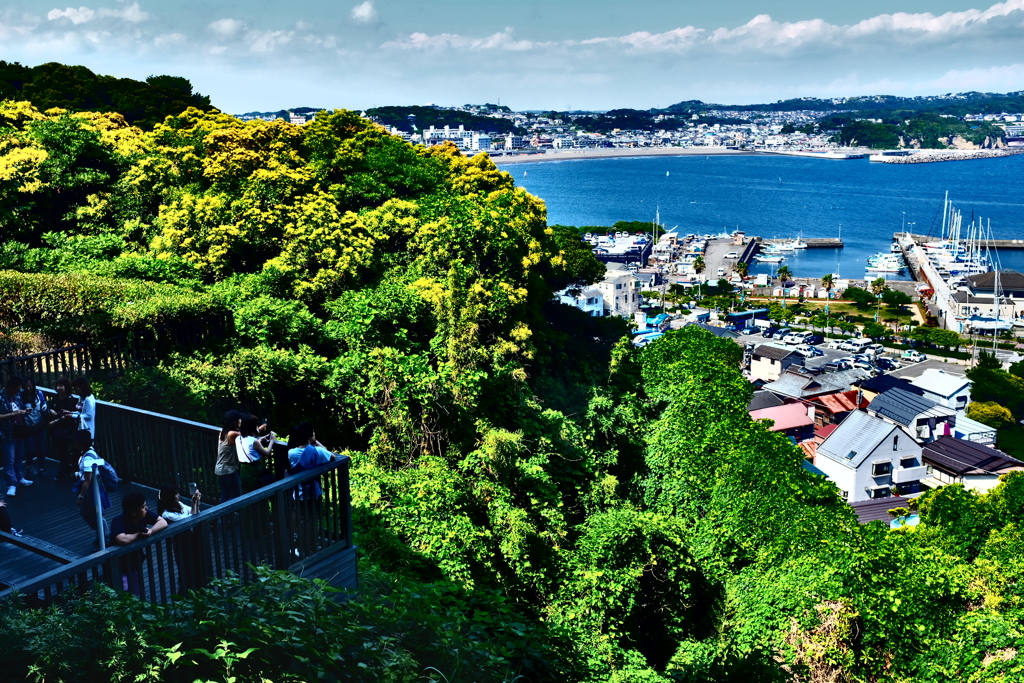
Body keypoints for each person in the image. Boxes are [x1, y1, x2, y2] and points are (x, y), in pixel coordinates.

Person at [110, 492, 167, 595]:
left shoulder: (143, 514)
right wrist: (138, 535)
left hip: (134, 563)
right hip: (119, 565)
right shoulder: (118, 521)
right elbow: (122, 539)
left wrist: (151, 531)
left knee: (136, 591)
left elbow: (163, 522)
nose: (146, 508)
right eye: (143, 506)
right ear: (134, 512)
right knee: (125, 593)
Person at [158, 484, 202, 593]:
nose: (178, 495)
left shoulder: (179, 504)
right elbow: (190, 520)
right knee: (186, 570)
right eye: (176, 494)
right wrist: (194, 503)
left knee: (196, 566)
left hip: (191, 540)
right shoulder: (167, 515)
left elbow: (193, 513)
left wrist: (195, 502)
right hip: (182, 545)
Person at [72, 429, 110, 543]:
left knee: (94, 513)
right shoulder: (90, 452)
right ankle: (102, 536)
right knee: (95, 513)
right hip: (97, 487)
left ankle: (104, 537)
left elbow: (87, 479)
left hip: (93, 489)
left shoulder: (88, 457)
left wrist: (81, 496)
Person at [1, 376, 32, 497]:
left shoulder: (18, 396)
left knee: (19, 456)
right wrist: (14, 413)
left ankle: (19, 478)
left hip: (19, 429)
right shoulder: (1, 397)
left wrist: (24, 410)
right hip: (7, 432)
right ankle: (11, 484)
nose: (19, 391)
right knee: (9, 459)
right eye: (17, 389)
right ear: (10, 388)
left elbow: (20, 407)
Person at [47, 377, 80, 479]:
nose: (58, 388)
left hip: (67, 429)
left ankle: (69, 469)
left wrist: (56, 420)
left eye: (61, 386)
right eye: (57, 386)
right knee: (61, 450)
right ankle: (65, 468)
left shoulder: (70, 400)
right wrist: (51, 411)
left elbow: (70, 415)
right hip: (56, 429)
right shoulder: (56, 397)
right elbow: (52, 407)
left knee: (68, 450)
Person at [20, 376, 48, 479]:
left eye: (30, 386)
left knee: (40, 448)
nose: (28, 388)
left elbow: (44, 405)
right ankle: (29, 466)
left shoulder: (38, 394)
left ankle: (42, 468)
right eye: (26, 386)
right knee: (30, 449)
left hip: (39, 425)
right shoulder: (20, 396)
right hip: (28, 427)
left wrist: (46, 410)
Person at [215, 411, 242, 502]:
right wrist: (259, 429)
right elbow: (248, 435)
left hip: (221, 468)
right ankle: (225, 513)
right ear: (235, 422)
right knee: (237, 495)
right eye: (239, 420)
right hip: (228, 470)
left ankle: (222, 516)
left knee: (225, 495)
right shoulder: (232, 434)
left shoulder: (223, 432)